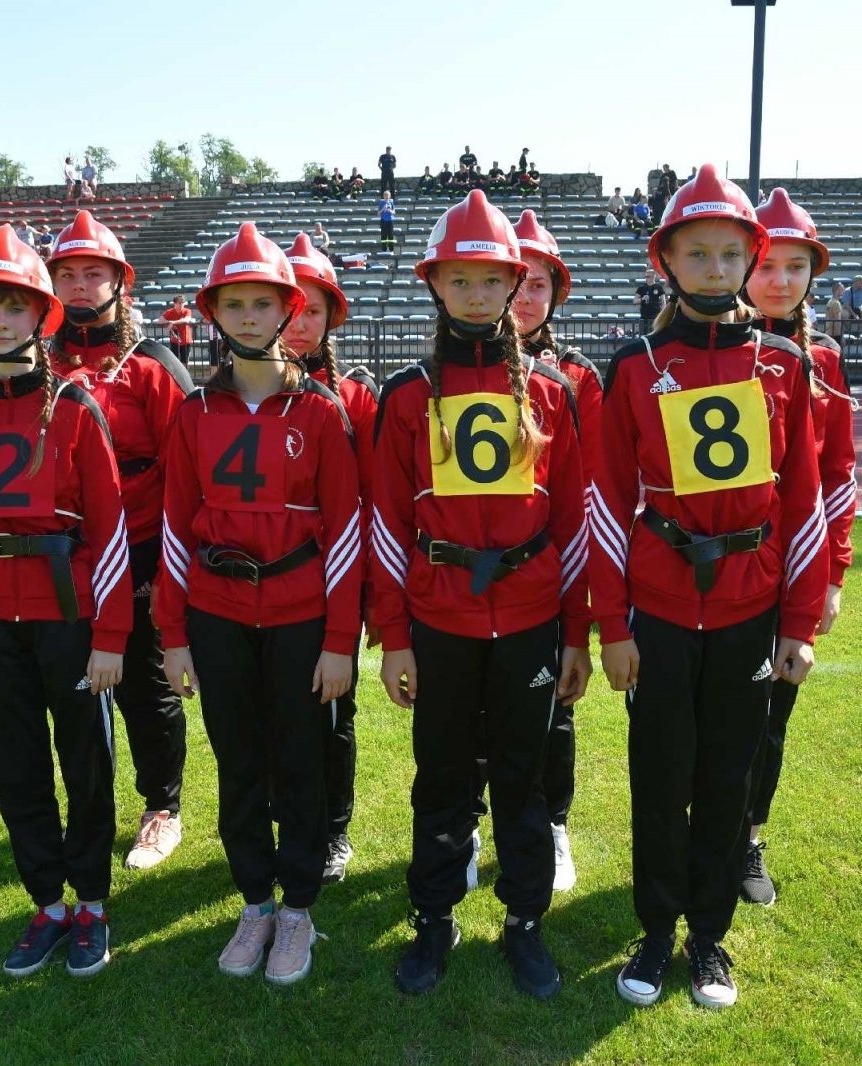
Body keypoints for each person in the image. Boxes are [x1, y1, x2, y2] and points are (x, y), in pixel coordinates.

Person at [592, 165, 826, 1010]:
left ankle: (708, 938)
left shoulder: (786, 364)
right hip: (656, 604)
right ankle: (655, 931)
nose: (717, 268)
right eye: (699, 253)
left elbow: (802, 502)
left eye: (732, 253)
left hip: (748, 607)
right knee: (659, 772)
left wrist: (799, 621)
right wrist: (611, 626)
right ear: (669, 261)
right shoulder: (635, 366)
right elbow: (605, 501)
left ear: (751, 258)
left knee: (726, 774)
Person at [373, 190, 590, 1000]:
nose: (476, 293)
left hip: (532, 618)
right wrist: (393, 636)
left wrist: (578, 632)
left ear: (513, 283)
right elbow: (385, 525)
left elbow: (574, 521)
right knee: (440, 774)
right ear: (437, 285)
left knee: (523, 778)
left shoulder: (553, 394)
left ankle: (524, 923)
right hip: (438, 620)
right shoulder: (404, 395)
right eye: (458, 279)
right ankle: (434, 919)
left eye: (491, 279)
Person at [156, 222, 361, 986]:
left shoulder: (320, 413)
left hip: (302, 614)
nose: (248, 316)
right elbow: (175, 528)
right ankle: (255, 901)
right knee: (238, 760)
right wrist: (173, 634)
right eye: (233, 303)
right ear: (214, 311)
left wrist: (341, 639)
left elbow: (346, 532)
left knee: (300, 760)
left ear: (287, 308)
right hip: (215, 614)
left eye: (262, 302)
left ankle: (299, 905)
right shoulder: (192, 413)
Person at [0, 226, 132, 979]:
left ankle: (92, 903)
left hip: (69, 617)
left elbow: (110, 531)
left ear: (40, 316)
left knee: (84, 763)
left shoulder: (78, 408)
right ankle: (46, 903)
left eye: (14, 306)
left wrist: (111, 634)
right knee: (15, 765)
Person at [45, 211, 195, 870]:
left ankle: (162, 809)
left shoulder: (153, 364)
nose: (80, 286)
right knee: (72, 689)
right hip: (60, 559)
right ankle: (89, 812)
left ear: (119, 282)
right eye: (67, 274)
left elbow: (190, 473)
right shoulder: (32, 363)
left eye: (93, 273)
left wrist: (170, 567)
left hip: (140, 552)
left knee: (146, 688)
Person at [740, 187, 856, 906]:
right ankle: (693, 839)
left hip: (788, 577)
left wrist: (832, 577)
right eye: (765, 264)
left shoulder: (824, 362)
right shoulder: (689, 354)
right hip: (710, 575)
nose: (779, 280)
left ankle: (748, 839)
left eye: (794, 266)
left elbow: (837, 476)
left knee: (770, 720)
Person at [510, 208, 603, 894]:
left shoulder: (574, 378)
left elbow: (586, 492)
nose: (523, 297)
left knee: (553, 713)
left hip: (545, 580)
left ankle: (555, 824)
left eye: (538, 284)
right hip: (470, 584)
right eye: (515, 281)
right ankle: (479, 822)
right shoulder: (442, 377)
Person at [282, 231, 379, 885]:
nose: (298, 322)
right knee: (270, 717)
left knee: (332, 719)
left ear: (330, 319)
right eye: (288, 307)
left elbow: (372, 505)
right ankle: (286, 824)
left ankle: (334, 831)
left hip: (331, 595)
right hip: (260, 596)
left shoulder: (356, 398)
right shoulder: (228, 396)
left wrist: (365, 600)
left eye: (313, 310)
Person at [160, 295, 196, 364]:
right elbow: (160, 320)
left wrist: (173, 322)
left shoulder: (187, 311)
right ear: (174, 303)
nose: (181, 305)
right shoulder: (170, 312)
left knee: (184, 362)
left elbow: (187, 320)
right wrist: (169, 322)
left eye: (182, 303)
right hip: (174, 341)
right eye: (179, 303)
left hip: (186, 340)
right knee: (174, 362)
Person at [636, 268, 664, 335]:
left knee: (655, 335)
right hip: (644, 316)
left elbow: (663, 302)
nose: (646, 278)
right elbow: (635, 301)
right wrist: (642, 299)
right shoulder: (641, 288)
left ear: (654, 276)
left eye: (648, 276)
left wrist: (663, 314)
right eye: (645, 277)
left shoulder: (659, 287)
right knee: (643, 336)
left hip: (655, 316)